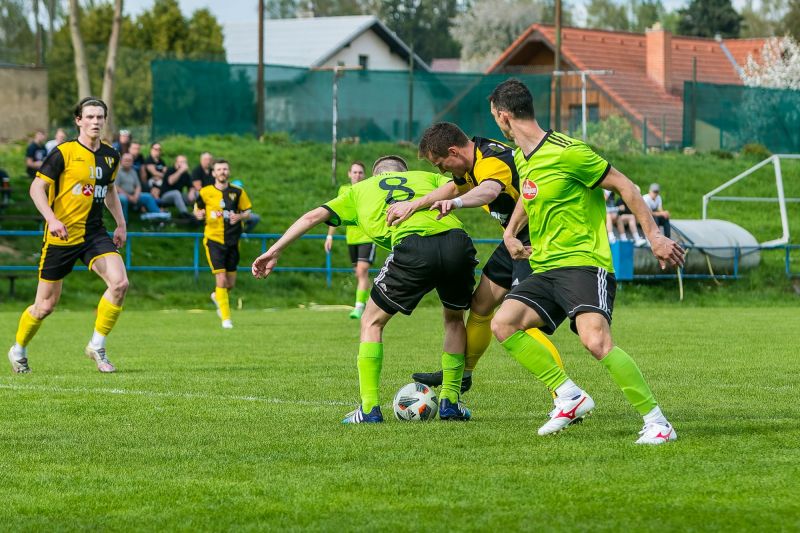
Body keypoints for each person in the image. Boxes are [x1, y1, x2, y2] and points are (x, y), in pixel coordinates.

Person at [486, 79, 685, 444]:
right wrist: (510, 233)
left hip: (583, 262)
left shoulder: (569, 151)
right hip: (545, 266)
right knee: (504, 324)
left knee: (596, 342)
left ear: (503, 116)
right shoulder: (520, 157)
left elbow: (627, 186)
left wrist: (655, 236)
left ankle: (658, 422)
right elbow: (529, 197)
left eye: (495, 119)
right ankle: (569, 395)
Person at [252, 156, 477, 424]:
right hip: (457, 244)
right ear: (405, 172)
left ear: (374, 176)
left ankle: (369, 409)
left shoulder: (359, 190)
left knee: (371, 321)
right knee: (454, 319)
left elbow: (314, 216)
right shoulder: (426, 177)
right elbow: (469, 186)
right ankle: (451, 403)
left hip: (414, 246)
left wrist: (274, 251)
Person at [385, 122, 566, 401]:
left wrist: (457, 205)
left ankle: (564, 394)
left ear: (454, 152)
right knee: (480, 304)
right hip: (514, 238)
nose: (442, 171)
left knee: (518, 322)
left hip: (538, 238)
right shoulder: (472, 158)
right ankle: (463, 376)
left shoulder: (492, 161)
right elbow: (452, 189)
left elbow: (489, 190)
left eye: (441, 163)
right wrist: (414, 205)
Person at [8, 96, 128, 374]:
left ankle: (97, 346)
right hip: (61, 237)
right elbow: (36, 189)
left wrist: (120, 224)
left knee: (120, 283)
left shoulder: (111, 155)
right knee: (45, 306)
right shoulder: (63, 153)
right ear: (79, 121)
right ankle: (18, 349)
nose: (95, 121)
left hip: (94, 233)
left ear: (105, 120)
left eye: (100, 117)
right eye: (89, 117)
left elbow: (109, 191)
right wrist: (51, 219)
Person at [195, 159, 252, 329]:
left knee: (230, 284)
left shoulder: (238, 192)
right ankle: (226, 319)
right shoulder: (205, 192)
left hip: (233, 240)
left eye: (225, 169)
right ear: (213, 173)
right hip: (214, 240)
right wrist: (199, 214)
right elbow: (197, 208)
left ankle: (217, 297)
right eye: (219, 169)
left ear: (229, 171)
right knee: (220, 278)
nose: (222, 172)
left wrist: (240, 216)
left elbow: (247, 211)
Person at [324, 161, 375, 319]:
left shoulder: (369, 189)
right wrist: (330, 235)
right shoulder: (344, 190)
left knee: (361, 271)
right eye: (355, 172)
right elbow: (336, 214)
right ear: (349, 174)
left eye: (360, 172)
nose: (357, 175)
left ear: (364, 175)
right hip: (351, 239)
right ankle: (373, 302)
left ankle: (359, 307)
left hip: (367, 236)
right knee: (360, 275)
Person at [115, 152, 164, 222]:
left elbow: (138, 186)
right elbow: (116, 187)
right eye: (125, 160)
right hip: (119, 196)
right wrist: (129, 197)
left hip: (133, 195)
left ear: (132, 162)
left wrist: (136, 195)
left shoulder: (133, 171)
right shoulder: (117, 171)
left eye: (129, 160)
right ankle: (123, 223)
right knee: (123, 199)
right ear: (121, 161)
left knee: (148, 197)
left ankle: (159, 217)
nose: (127, 162)